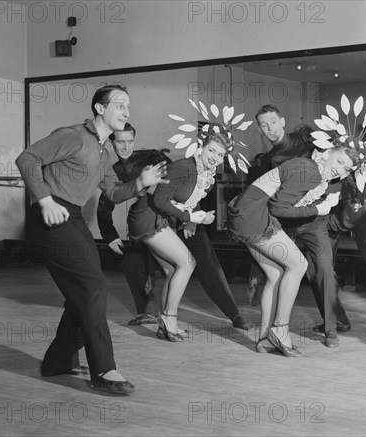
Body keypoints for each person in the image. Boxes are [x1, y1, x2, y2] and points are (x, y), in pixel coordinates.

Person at [16, 84, 167, 395]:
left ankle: (57, 361)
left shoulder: (104, 149)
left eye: (129, 106)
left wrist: (140, 182)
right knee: (93, 286)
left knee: (83, 291)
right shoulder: (73, 135)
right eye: (120, 105)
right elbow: (27, 158)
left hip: (70, 216)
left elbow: (112, 192)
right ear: (100, 108)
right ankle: (103, 369)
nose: (127, 111)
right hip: (49, 215)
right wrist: (44, 200)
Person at [251, 104, 366, 341]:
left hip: (347, 200)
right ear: (260, 129)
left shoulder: (308, 136)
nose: (269, 128)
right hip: (321, 215)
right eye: (263, 125)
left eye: (272, 121)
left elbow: (347, 151)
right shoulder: (273, 160)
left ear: (281, 120)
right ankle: (337, 321)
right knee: (320, 271)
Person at [128, 105, 253, 342]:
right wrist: (190, 217)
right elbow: (159, 198)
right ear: (201, 147)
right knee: (187, 263)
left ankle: (164, 323)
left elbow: (184, 200)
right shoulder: (185, 167)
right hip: (147, 217)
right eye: (212, 151)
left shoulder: (204, 173)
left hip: (159, 217)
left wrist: (193, 216)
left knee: (171, 269)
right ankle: (169, 319)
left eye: (220, 155)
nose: (215, 158)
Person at [228, 146, 356, 357]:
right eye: (339, 161)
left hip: (247, 211)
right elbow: (277, 208)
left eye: (347, 168)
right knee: (299, 265)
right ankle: (280, 330)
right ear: (325, 153)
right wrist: (317, 209)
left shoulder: (310, 168)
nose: (340, 170)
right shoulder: (311, 171)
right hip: (254, 215)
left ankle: (264, 339)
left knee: (275, 274)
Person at [97, 122, 165, 326]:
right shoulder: (112, 168)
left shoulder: (151, 156)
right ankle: (148, 312)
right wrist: (110, 235)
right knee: (131, 263)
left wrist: (191, 215)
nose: (126, 147)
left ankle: (165, 314)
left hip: (169, 219)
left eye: (130, 141)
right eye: (120, 142)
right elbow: (106, 201)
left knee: (162, 267)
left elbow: (180, 180)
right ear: (112, 142)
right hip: (140, 224)